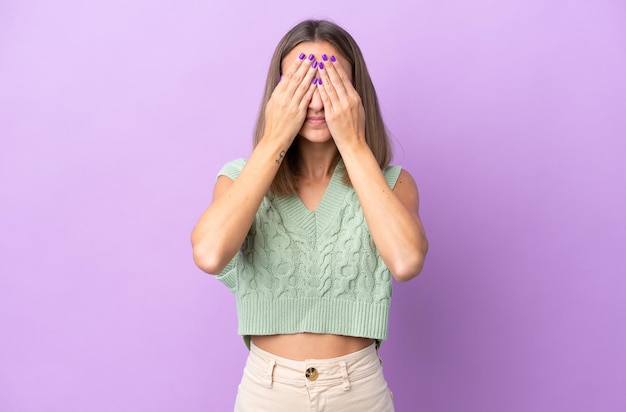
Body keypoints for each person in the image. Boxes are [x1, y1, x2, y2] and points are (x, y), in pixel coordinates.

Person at [191, 19, 428, 412]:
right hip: (267, 391)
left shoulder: (392, 184)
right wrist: (274, 138)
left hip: (359, 391)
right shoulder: (237, 179)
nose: (316, 101)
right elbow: (210, 254)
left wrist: (353, 142)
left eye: (331, 82)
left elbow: (406, 262)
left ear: (357, 92)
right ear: (277, 93)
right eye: (300, 82)